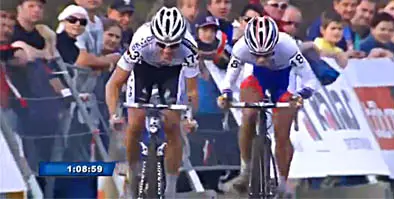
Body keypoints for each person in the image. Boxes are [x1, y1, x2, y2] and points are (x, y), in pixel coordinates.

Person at [217, 16, 318, 197]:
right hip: (256, 80)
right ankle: (246, 170)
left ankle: (282, 181)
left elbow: (309, 79)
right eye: (257, 55)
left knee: (282, 133)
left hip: (284, 82)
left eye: (267, 54)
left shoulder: (287, 45)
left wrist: (302, 95)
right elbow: (230, 78)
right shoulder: (241, 47)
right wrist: (226, 94)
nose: (261, 60)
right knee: (248, 115)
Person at [106, 6, 199, 198]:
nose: (166, 51)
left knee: (173, 127)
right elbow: (114, 83)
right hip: (143, 71)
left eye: (173, 45)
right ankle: (132, 175)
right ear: (154, 38)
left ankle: (170, 188)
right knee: (135, 124)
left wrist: (189, 118)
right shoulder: (141, 41)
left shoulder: (189, 47)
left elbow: (192, 91)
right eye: (162, 45)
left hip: (172, 73)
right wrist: (113, 114)